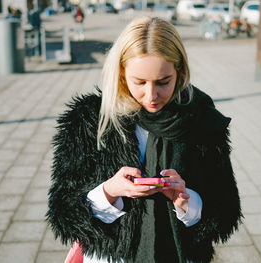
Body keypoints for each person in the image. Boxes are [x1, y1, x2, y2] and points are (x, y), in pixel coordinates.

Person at [46, 16, 242, 263]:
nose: (151, 96)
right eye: (139, 82)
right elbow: (62, 211)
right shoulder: (88, 120)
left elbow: (225, 212)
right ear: (121, 73)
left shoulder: (203, 122)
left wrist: (186, 201)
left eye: (163, 82)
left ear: (179, 71)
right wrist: (109, 191)